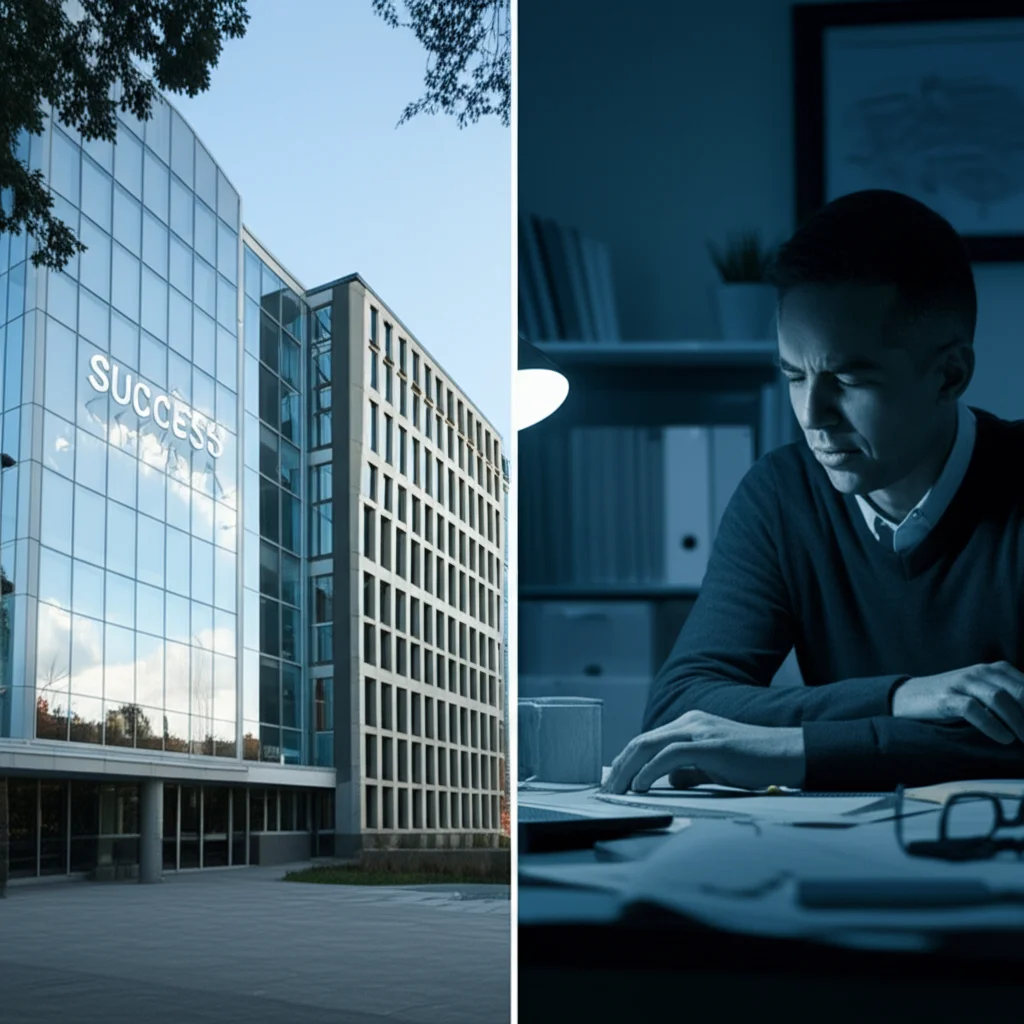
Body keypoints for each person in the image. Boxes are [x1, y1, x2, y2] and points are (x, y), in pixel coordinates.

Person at [603, 188, 1024, 795]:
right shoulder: (782, 494)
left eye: (849, 378)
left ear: (950, 374)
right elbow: (679, 711)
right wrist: (902, 697)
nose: (812, 414)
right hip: (830, 856)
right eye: (793, 375)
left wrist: (797, 750)